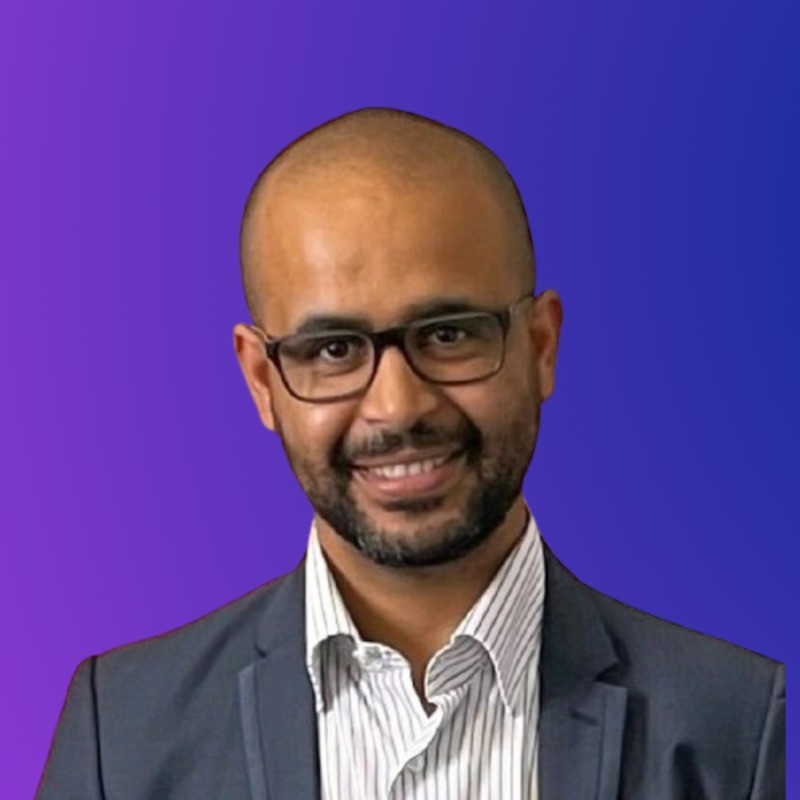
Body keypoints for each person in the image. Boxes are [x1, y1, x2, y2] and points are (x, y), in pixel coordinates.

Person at [37, 108, 785, 799]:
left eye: (449, 334)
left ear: (540, 346)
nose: (397, 407)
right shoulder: (120, 735)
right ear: (262, 380)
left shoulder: (740, 727)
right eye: (333, 349)